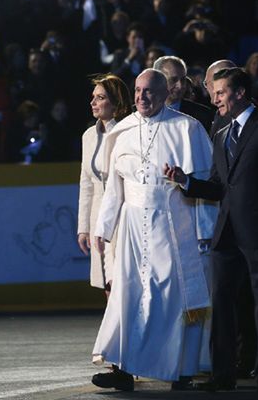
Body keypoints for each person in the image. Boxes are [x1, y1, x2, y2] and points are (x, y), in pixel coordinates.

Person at [164, 67, 258, 394]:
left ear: (239, 93)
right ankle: (223, 375)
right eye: (213, 92)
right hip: (226, 234)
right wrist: (186, 182)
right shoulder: (220, 133)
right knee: (220, 304)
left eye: (219, 93)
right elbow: (221, 187)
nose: (213, 98)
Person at [91, 69, 217, 391]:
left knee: (174, 300)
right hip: (133, 227)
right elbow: (113, 189)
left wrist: (205, 233)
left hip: (174, 224)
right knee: (128, 295)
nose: (141, 98)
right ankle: (122, 370)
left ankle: (181, 371)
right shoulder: (122, 131)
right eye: (137, 91)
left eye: (148, 92)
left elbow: (205, 182)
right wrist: (103, 229)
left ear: (164, 95)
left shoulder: (187, 129)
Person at [77, 74, 132, 296]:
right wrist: (84, 228)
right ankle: (115, 330)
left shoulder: (128, 131)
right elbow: (86, 183)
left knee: (122, 276)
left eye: (100, 98)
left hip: (123, 213)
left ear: (116, 102)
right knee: (106, 281)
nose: (93, 103)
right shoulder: (88, 135)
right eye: (93, 97)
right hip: (97, 213)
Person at [153, 55, 214, 133]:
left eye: (183, 80)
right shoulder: (139, 112)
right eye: (173, 80)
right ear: (158, 80)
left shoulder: (203, 116)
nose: (180, 86)